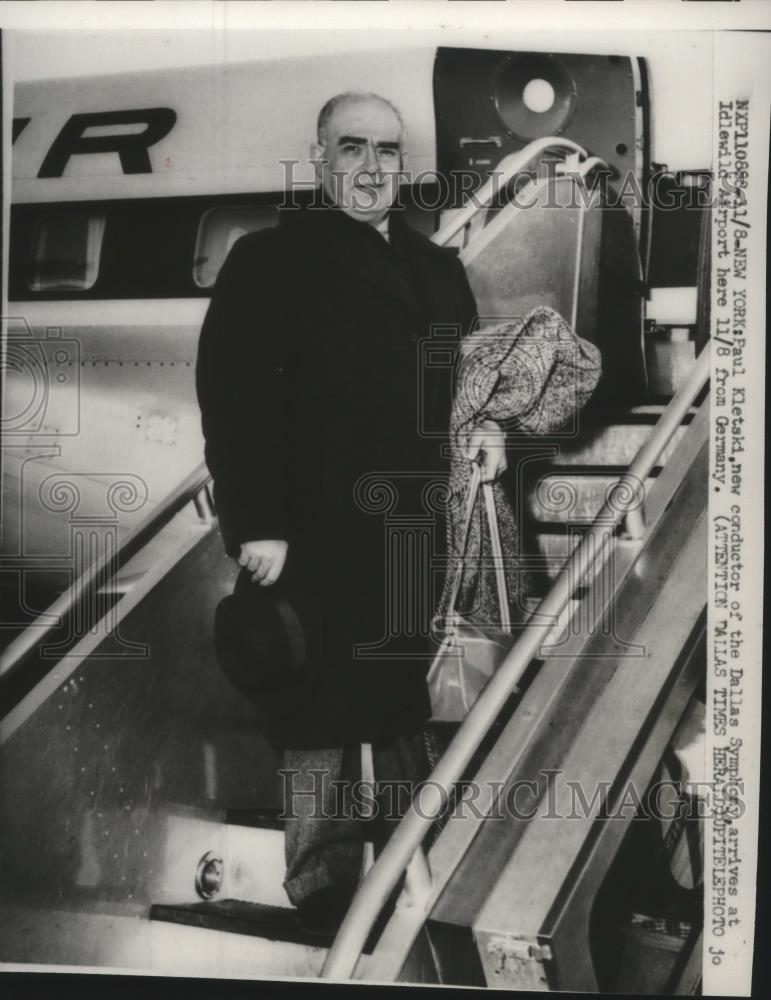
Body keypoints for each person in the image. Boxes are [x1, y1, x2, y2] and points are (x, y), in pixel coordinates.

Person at [196, 91, 506, 933]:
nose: (372, 168)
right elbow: (234, 400)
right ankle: (323, 880)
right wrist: (256, 520)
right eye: (352, 148)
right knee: (315, 698)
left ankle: (409, 854)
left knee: (401, 694)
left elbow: (467, 376)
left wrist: (485, 434)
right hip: (313, 527)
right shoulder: (271, 259)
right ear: (320, 153)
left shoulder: (438, 268)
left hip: (412, 524)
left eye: (387, 151)